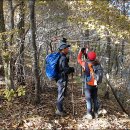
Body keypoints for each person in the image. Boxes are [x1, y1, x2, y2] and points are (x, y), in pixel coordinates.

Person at [77, 48, 99, 119]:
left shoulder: (85, 64)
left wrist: (81, 52)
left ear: (88, 57)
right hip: (95, 84)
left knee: (88, 99)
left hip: (88, 84)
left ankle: (89, 114)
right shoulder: (98, 64)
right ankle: (96, 113)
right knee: (95, 98)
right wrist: (87, 54)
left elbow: (78, 59)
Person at [55, 38, 75, 116]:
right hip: (62, 78)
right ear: (63, 49)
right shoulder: (63, 58)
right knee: (61, 94)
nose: (68, 49)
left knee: (61, 93)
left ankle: (60, 109)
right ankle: (59, 111)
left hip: (59, 77)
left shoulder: (60, 56)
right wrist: (71, 69)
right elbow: (65, 70)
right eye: (67, 48)